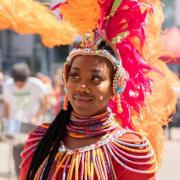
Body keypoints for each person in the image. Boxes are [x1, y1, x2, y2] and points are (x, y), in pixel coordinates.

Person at [0, 0, 178, 179]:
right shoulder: (40, 140)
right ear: (65, 81)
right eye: (75, 76)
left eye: (95, 78)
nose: (82, 86)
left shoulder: (130, 149)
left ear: (115, 86)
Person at [2, 63, 48, 177]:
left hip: (32, 122)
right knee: (17, 149)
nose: (18, 86)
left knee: (32, 149)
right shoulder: (8, 85)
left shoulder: (36, 85)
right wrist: (7, 121)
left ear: (27, 79)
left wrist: (37, 116)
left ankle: (34, 173)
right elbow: (6, 104)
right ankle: (19, 175)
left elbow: (45, 101)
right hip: (16, 122)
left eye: (21, 83)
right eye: (16, 83)